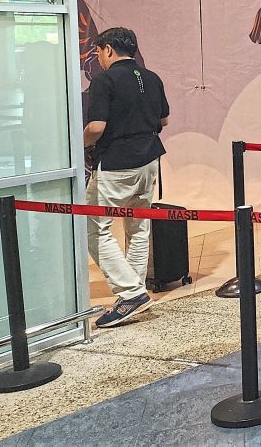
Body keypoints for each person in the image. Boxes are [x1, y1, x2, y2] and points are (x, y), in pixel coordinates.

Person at [83, 27, 169, 328]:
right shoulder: (152, 77)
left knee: (95, 230)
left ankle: (130, 293)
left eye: (98, 52)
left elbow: (96, 127)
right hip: (149, 160)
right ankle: (135, 293)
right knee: (138, 227)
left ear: (108, 49)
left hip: (116, 163)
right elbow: (164, 120)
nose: (98, 58)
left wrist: (72, 148)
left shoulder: (103, 80)